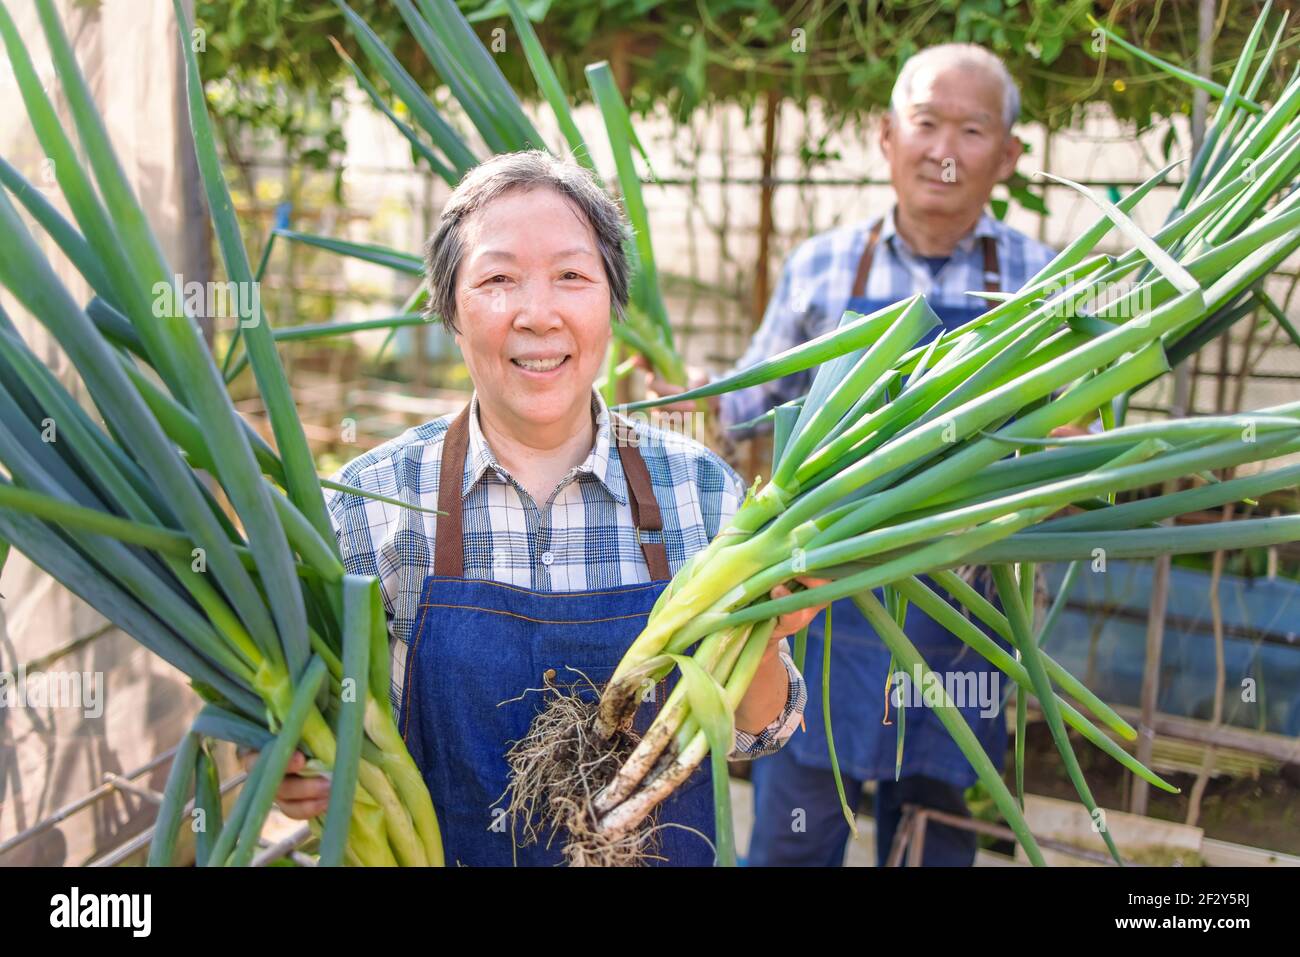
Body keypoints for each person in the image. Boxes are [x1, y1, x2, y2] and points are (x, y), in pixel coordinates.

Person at [254, 150, 823, 867]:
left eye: (572, 276)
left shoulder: (700, 493)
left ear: (611, 302)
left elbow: (762, 728)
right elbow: (316, 738)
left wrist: (766, 634)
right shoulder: (373, 505)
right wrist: (295, 769)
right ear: (451, 310)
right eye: (497, 280)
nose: (538, 314)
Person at [646, 44, 1057, 866]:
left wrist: (1071, 465)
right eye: (926, 122)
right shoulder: (824, 268)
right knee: (794, 835)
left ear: (1008, 155)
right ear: (885, 135)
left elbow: (1064, 449)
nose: (944, 149)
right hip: (819, 604)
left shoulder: (1040, 281)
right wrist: (685, 399)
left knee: (936, 838)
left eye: (972, 130)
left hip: (963, 611)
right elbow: (744, 406)